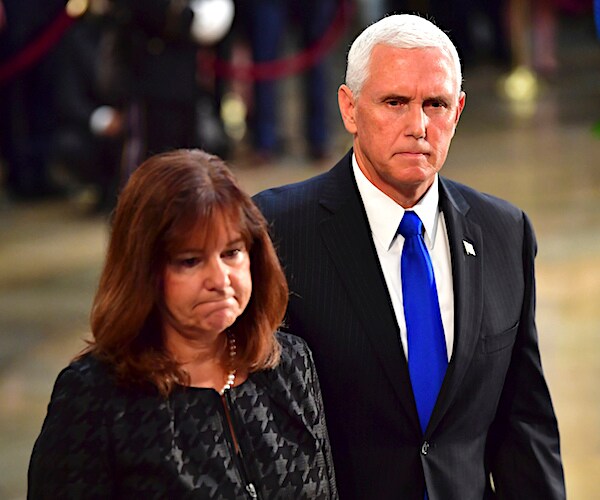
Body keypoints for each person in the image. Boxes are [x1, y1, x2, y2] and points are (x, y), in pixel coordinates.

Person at [253, 14, 565, 500]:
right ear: (350, 108)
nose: (418, 125)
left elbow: (524, 425)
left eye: (435, 104)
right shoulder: (276, 231)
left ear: (458, 111)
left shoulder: (506, 233)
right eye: (394, 102)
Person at [28, 149, 338, 499]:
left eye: (232, 253)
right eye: (190, 261)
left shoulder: (291, 363)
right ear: (144, 271)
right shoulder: (95, 397)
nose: (220, 280)